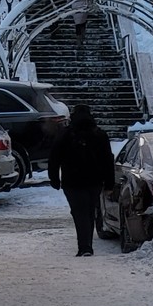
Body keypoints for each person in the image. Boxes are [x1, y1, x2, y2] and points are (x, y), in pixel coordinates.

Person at [47, 102, 115, 256]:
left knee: (79, 212)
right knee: (90, 212)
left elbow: (54, 158)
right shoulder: (100, 135)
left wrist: (54, 179)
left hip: (72, 181)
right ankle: (87, 245)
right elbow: (107, 160)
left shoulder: (65, 135)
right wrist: (109, 183)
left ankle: (84, 247)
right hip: (94, 181)